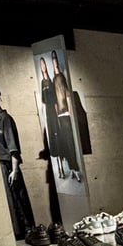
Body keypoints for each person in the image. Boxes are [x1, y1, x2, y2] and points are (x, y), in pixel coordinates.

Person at [0, 82, 35, 240]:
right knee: (8, 202)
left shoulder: (5, 119)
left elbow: (13, 148)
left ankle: (26, 231)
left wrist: (15, 170)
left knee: (17, 200)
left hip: (6, 165)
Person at [51, 50, 78, 180]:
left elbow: (67, 96)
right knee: (65, 145)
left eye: (55, 61)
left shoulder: (60, 78)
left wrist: (71, 113)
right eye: (53, 61)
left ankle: (75, 168)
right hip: (61, 117)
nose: (54, 64)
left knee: (70, 144)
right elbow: (55, 102)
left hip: (66, 116)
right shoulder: (54, 80)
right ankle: (72, 168)